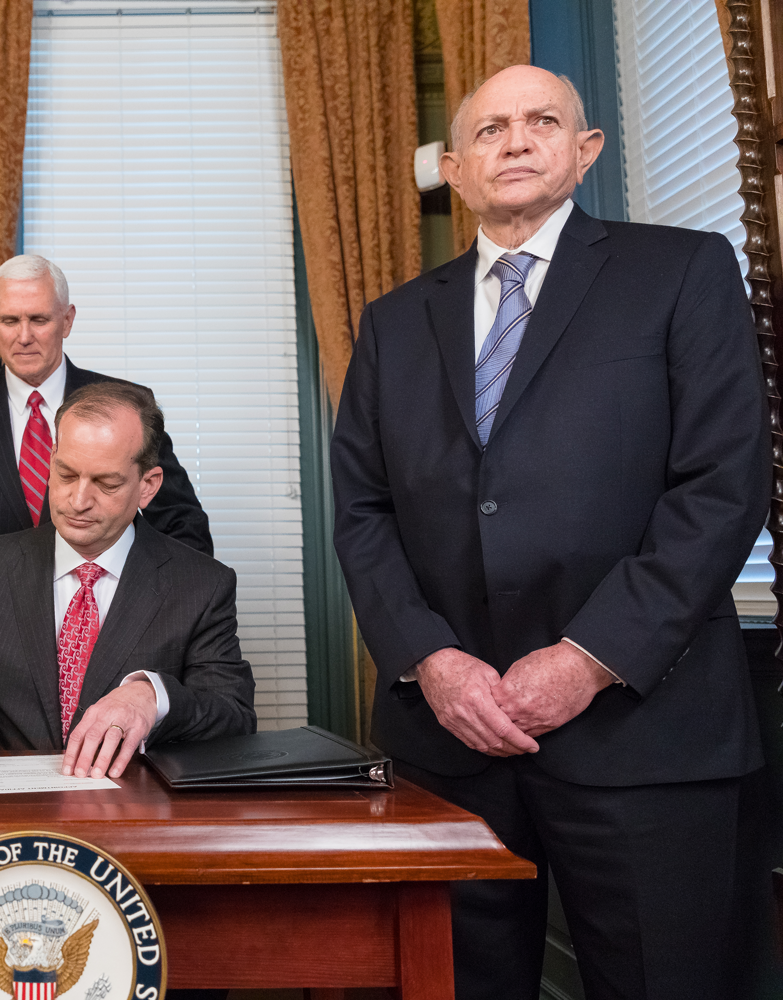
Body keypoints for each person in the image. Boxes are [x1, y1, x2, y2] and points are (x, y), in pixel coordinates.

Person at [331, 65, 769, 1000]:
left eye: (542, 122)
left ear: (586, 150)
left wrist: (587, 658)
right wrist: (433, 664)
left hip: (644, 734)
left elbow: (722, 489)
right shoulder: (393, 323)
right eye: (490, 129)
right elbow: (362, 513)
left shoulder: (682, 270)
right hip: (448, 742)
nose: (518, 141)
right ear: (455, 167)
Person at [0, 380, 254, 779]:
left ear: (148, 486)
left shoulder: (201, 584)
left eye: (106, 483)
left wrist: (152, 696)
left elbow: (233, 716)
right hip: (4, 818)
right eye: (66, 474)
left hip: (132, 817)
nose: (78, 500)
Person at [0, 254, 211, 624]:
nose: (24, 336)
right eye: (9, 320)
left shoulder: (129, 408)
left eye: (39, 319)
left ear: (67, 321)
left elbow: (183, 525)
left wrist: (155, 619)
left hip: (106, 625)